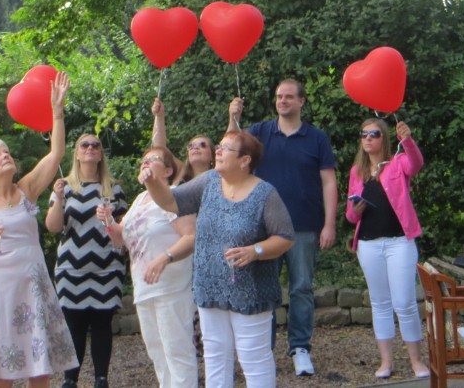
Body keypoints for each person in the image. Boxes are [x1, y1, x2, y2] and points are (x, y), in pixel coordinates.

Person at [142, 129, 294, 388]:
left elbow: (285, 237)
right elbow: (170, 201)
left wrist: (254, 251)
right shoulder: (209, 181)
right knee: (215, 358)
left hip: (250, 293)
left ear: (245, 160)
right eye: (219, 147)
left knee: (253, 360)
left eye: (226, 148)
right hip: (209, 288)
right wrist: (152, 182)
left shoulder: (265, 194)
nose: (218, 152)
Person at [0, 72, 78, 388]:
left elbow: (56, 154)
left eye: (7, 151)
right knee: (3, 373)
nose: (6, 155)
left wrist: (56, 111)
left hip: (32, 283)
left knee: (40, 367)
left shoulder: (26, 189)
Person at [228, 78, 337, 377]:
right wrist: (232, 118)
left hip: (303, 226)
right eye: (279, 97)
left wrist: (329, 223)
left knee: (302, 288)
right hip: (264, 229)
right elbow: (231, 153)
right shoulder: (260, 133)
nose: (283, 101)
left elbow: (329, 182)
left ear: (302, 101)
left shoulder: (317, 138)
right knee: (265, 290)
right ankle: (264, 352)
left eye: (289, 97)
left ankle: (300, 348)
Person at [102, 146, 198, 388]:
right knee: (157, 352)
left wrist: (165, 257)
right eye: (143, 160)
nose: (145, 163)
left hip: (172, 285)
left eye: (152, 160)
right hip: (144, 286)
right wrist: (108, 221)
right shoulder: (139, 200)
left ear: (167, 170)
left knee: (177, 350)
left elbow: (191, 237)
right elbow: (121, 239)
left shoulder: (175, 194)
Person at [345, 118, 429, 380]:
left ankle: (416, 361)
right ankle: (386, 362)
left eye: (374, 133)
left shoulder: (398, 162)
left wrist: (408, 140)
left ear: (384, 138)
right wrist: (354, 211)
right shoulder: (356, 172)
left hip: (399, 242)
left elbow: (416, 164)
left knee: (404, 303)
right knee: (379, 303)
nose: (368, 138)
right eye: (364, 134)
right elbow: (349, 216)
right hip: (368, 244)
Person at [45, 134, 128, 388]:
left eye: (96, 145)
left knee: (103, 324)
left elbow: (125, 231)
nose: (90, 148)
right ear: (77, 154)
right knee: (74, 326)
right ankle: (70, 380)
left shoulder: (114, 189)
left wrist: (109, 219)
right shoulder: (65, 187)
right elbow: (53, 227)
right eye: (85, 145)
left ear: (101, 154)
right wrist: (58, 198)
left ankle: (101, 379)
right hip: (72, 270)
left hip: (107, 268)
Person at [150, 97, 214, 183]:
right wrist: (159, 116)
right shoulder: (181, 172)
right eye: (191, 146)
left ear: (212, 156)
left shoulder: (220, 177)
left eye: (202, 145)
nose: (195, 148)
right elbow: (160, 148)